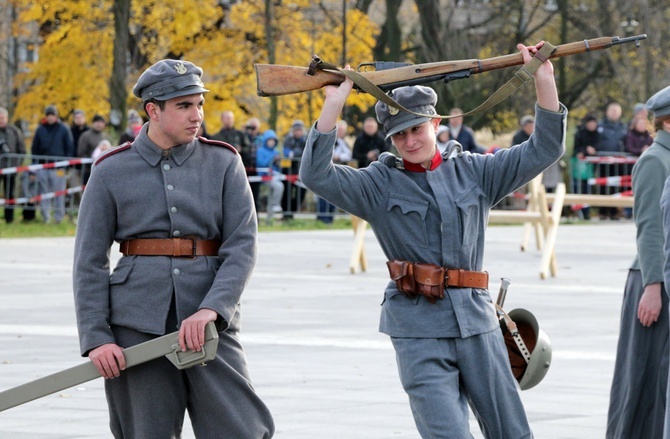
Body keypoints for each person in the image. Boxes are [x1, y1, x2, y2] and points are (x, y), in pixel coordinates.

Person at [300, 41, 564, 438]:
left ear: (435, 123)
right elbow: (316, 176)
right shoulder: (379, 185)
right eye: (399, 134)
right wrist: (333, 105)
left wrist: (543, 80)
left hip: (477, 322)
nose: (409, 141)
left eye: (416, 129)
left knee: (512, 431)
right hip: (417, 329)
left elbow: (545, 148)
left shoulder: (476, 172)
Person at [72, 59, 274, 438]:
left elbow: (242, 245)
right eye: (184, 106)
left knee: (242, 429)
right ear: (153, 109)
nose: (196, 115)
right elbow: (89, 261)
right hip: (134, 323)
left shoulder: (224, 162)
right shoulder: (110, 170)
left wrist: (213, 309)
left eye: (199, 104)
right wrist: (96, 337)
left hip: (208, 322)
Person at [608, 85, 670, 439]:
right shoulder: (654, 160)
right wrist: (653, 287)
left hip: (662, 278)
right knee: (645, 379)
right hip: (654, 281)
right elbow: (649, 228)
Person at [31, 104, 75, 224]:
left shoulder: (64, 129)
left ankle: (58, 217)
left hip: (59, 167)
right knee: (44, 193)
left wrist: (67, 164)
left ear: (56, 116)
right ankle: (46, 217)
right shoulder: (40, 129)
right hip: (43, 167)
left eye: (52, 115)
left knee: (59, 193)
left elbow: (69, 147)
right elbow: (35, 149)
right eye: (48, 115)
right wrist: (34, 166)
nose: (50, 118)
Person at [513, 114, 562, 193]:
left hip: (542, 163)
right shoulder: (518, 136)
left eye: (531, 125)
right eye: (527, 126)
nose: (530, 128)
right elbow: (515, 150)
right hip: (526, 165)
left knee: (546, 185)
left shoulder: (541, 134)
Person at [316, 120, 352, 223]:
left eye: (342, 130)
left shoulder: (345, 142)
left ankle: (329, 218)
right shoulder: (328, 139)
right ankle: (321, 217)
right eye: (339, 130)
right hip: (325, 169)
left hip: (338, 171)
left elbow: (348, 155)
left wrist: (339, 156)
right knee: (322, 194)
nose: (340, 132)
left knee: (333, 195)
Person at [0, 106, 26, 224]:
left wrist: (17, 165)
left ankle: (9, 218)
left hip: (11, 169)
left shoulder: (14, 131)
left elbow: (22, 150)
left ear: (7, 118)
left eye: (3, 118)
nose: (1, 120)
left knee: (9, 194)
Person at [571, 113, 600, 220]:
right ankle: (578, 211)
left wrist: (594, 151)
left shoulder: (598, 134)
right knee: (578, 188)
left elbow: (600, 146)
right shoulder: (580, 133)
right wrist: (584, 151)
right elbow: (576, 148)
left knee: (588, 189)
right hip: (579, 166)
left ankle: (587, 212)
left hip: (591, 167)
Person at [255, 129, 284, 222]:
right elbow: (261, 163)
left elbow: (278, 167)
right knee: (279, 186)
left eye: (273, 141)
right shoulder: (260, 151)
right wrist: (272, 159)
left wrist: (278, 162)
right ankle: (276, 204)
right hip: (265, 176)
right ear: (265, 141)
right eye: (269, 140)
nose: (271, 142)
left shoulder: (276, 151)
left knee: (272, 195)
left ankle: (269, 220)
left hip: (274, 176)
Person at [281, 120, 307, 219]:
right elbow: (287, 153)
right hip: (289, 170)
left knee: (301, 192)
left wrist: (295, 153)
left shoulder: (306, 140)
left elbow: (305, 152)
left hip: (301, 170)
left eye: (300, 130)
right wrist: (296, 153)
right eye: (296, 130)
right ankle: (286, 213)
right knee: (287, 192)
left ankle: (292, 212)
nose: (298, 132)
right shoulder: (288, 139)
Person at [77, 114, 109, 185]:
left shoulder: (106, 136)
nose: (99, 124)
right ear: (93, 123)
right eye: (97, 122)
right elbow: (81, 152)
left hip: (104, 170)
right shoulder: (85, 136)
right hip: (88, 170)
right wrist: (92, 161)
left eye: (101, 122)